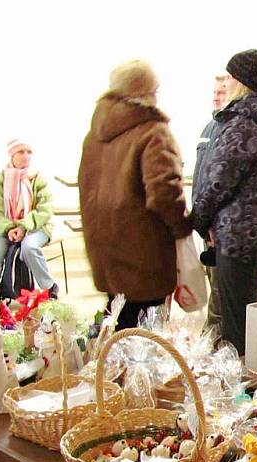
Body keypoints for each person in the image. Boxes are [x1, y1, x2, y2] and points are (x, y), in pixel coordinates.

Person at [192, 49, 257, 356]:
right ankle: (250, 381)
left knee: (235, 325)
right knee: (249, 313)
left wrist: (198, 222)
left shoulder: (241, 124)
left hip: (236, 237)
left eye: (230, 77)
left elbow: (216, 182)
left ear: (240, 81)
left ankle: (241, 388)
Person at [78, 59, 192, 330]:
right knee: (146, 337)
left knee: (118, 328)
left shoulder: (95, 135)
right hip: (144, 256)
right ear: (147, 91)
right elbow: (164, 192)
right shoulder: (153, 133)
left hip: (107, 252)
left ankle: (110, 373)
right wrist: (183, 226)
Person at [0, 139, 58, 298]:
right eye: (21, 152)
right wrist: (10, 228)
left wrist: (23, 227)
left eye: (29, 152)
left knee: (29, 248)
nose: (26, 156)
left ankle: (49, 288)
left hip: (37, 226)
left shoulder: (38, 177)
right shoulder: (0, 179)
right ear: (12, 155)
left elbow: (45, 209)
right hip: (7, 228)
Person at [193, 75, 229, 334]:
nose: (216, 97)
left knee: (220, 298)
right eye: (214, 92)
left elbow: (222, 185)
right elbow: (201, 177)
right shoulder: (208, 128)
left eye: (222, 92)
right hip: (205, 225)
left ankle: (214, 343)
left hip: (220, 229)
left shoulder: (231, 130)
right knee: (211, 288)